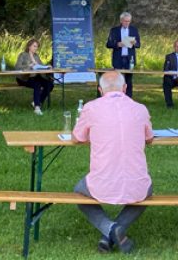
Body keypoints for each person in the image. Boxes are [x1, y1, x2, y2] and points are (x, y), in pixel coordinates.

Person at [72, 71, 153, 254]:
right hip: (136, 184)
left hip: (101, 184)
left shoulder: (91, 108)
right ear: (125, 88)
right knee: (147, 190)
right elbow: (149, 138)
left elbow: (77, 137)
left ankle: (109, 230)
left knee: (79, 193)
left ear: (100, 90)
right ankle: (117, 230)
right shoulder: (140, 108)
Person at [105, 12, 141, 98]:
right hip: (118, 58)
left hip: (129, 59)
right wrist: (117, 44)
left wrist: (135, 43)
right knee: (117, 80)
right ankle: (117, 97)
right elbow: (108, 44)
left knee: (128, 80)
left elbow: (139, 45)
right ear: (121, 21)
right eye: (125, 21)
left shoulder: (134, 30)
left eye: (129, 21)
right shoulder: (114, 30)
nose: (127, 23)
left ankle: (128, 99)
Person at [15, 39, 54, 115]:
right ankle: (37, 108)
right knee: (37, 84)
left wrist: (47, 67)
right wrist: (29, 66)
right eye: (34, 46)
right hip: (24, 78)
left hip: (35, 77)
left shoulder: (36, 56)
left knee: (50, 84)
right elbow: (17, 67)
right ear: (29, 46)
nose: (36, 48)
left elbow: (41, 66)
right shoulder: (23, 55)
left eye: (37, 47)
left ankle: (37, 101)